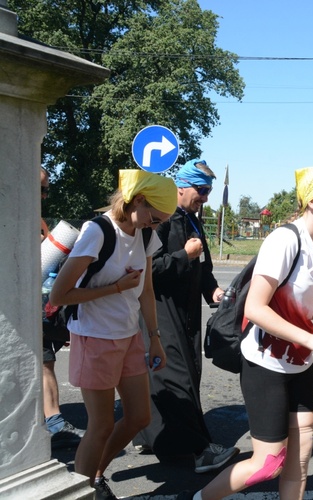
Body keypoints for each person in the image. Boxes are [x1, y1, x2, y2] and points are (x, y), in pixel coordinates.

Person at [178, 167, 313, 500]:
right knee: (267, 463)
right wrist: (310, 339)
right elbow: (256, 309)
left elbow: (293, 307)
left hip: (299, 364)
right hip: (266, 364)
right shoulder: (285, 240)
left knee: (299, 461)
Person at [50, 169, 176, 500]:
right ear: (137, 200)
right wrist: (115, 288)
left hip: (129, 335)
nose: (155, 225)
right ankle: (81, 492)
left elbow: (146, 289)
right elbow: (59, 296)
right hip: (94, 337)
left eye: (160, 221)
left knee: (138, 417)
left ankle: (94, 476)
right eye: (154, 217)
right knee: (101, 425)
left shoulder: (146, 234)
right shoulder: (98, 231)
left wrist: (154, 336)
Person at [133, 159, 238, 472]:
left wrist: (213, 292)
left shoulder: (192, 219)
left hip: (187, 313)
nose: (204, 197)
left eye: (208, 191)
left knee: (181, 374)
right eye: (201, 190)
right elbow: (150, 270)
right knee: (176, 379)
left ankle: (153, 435)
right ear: (180, 187)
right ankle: (196, 451)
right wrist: (185, 255)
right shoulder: (161, 219)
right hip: (162, 310)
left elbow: (203, 266)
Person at [40, 166, 86, 449]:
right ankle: (54, 422)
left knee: (44, 359)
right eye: (41, 189)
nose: (44, 196)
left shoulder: (34, 217)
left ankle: (53, 420)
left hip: (33, 302)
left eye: (46, 189)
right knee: (44, 361)